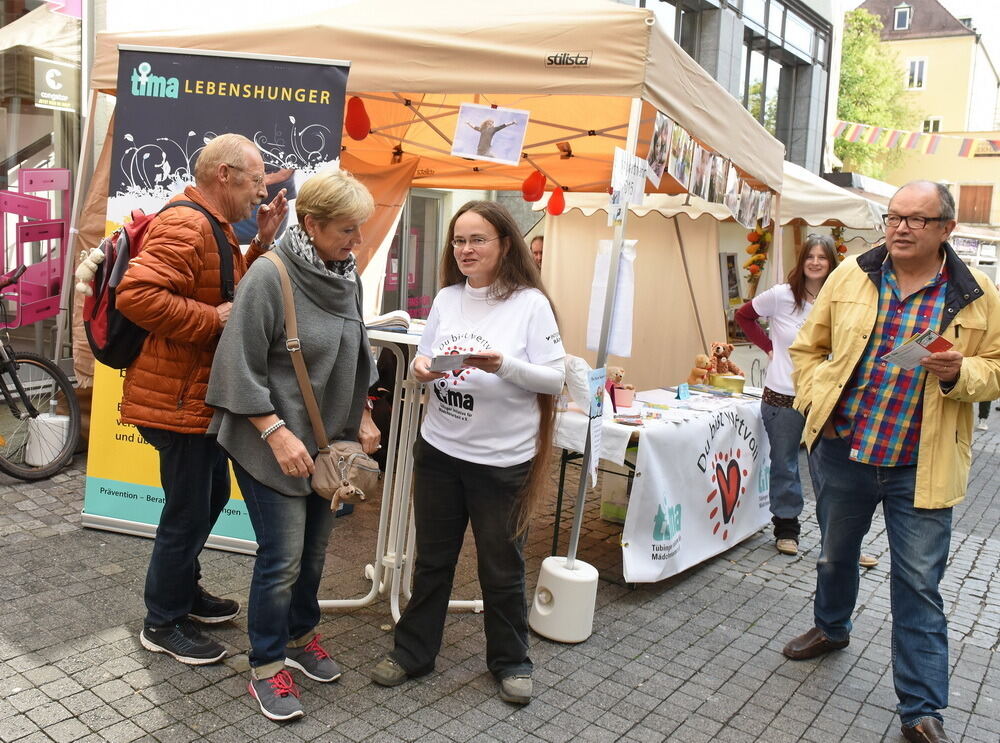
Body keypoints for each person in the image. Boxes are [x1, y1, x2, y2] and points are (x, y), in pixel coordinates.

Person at [783, 181, 1000, 743]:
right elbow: (808, 347)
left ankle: (922, 708)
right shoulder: (852, 273)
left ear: (947, 229)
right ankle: (831, 627)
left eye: (918, 220)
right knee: (834, 555)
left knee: (918, 584)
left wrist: (961, 373)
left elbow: (996, 367)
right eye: (894, 216)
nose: (901, 227)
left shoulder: (978, 294)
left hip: (920, 466)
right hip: (844, 451)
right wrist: (816, 404)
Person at [370, 200, 565, 705]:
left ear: (504, 244)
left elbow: (554, 377)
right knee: (432, 559)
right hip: (439, 451)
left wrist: (503, 366)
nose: (465, 249)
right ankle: (414, 652)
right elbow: (425, 360)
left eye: (477, 239)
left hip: (503, 462)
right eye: (458, 240)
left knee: (501, 565)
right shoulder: (447, 298)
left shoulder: (529, 304)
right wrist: (421, 371)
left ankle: (511, 660)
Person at [206, 168, 380, 721]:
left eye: (359, 230)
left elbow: (357, 350)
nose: (357, 242)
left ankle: (302, 637)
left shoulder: (345, 275)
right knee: (280, 559)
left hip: (327, 447)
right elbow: (237, 367)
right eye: (347, 230)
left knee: (315, 553)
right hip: (269, 442)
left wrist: (366, 414)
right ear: (311, 224)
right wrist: (276, 434)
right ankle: (264, 664)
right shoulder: (269, 275)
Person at [117, 133, 287, 666]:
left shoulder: (214, 226)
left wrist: (258, 245)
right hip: (175, 399)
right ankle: (162, 621)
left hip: (195, 399)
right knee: (189, 511)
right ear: (225, 175)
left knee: (206, 500)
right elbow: (136, 296)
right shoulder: (188, 223)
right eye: (256, 181)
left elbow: (223, 288)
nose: (261, 193)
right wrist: (209, 320)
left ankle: (183, 594)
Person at [735, 235, 838, 556]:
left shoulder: (840, 300)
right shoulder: (782, 296)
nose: (816, 262)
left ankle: (837, 538)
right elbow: (744, 316)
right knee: (785, 464)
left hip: (824, 398)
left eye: (823, 257)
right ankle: (787, 529)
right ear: (802, 260)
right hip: (782, 396)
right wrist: (769, 347)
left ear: (832, 262)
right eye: (811, 256)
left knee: (831, 469)